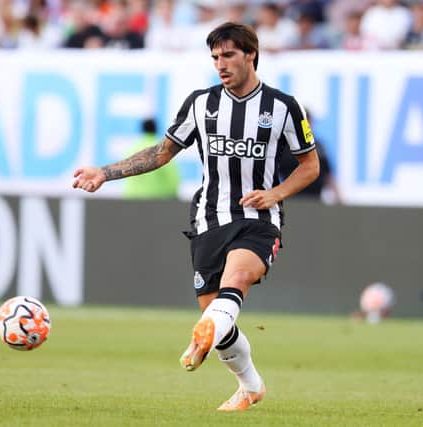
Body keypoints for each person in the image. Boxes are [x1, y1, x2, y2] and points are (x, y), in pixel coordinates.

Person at [72, 22, 319, 411]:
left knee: (236, 280)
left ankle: (207, 333)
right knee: (219, 318)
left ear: (251, 54)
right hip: (208, 220)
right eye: (215, 57)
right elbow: (163, 152)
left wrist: (275, 193)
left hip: (259, 218)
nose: (220, 64)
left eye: (229, 55)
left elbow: (310, 166)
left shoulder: (284, 107)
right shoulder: (201, 104)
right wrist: (105, 172)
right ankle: (250, 385)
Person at [123, 119, 180, 199]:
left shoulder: (133, 149)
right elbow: (173, 177)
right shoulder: (163, 149)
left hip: (133, 197)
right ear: (156, 129)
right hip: (156, 200)